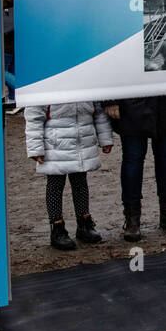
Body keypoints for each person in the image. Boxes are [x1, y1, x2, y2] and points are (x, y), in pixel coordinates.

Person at [104, 94, 166, 240]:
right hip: (131, 100)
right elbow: (107, 70)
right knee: (133, 158)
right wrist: (110, 99)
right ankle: (132, 218)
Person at [25, 102, 114, 250]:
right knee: (55, 185)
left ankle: (84, 222)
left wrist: (105, 138)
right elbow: (34, 115)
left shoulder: (87, 83)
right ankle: (57, 227)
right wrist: (35, 149)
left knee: (80, 183)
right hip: (55, 143)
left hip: (82, 141)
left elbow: (98, 111)